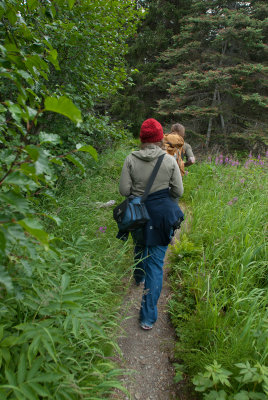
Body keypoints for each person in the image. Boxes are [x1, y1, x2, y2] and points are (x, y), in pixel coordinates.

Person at [119, 118, 184, 330]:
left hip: (139, 215)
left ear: (141, 139)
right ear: (159, 140)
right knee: (156, 265)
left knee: (139, 244)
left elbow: (124, 191)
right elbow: (178, 192)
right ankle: (147, 318)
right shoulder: (169, 160)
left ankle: (138, 277)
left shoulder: (130, 159)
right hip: (162, 218)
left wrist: (139, 192)